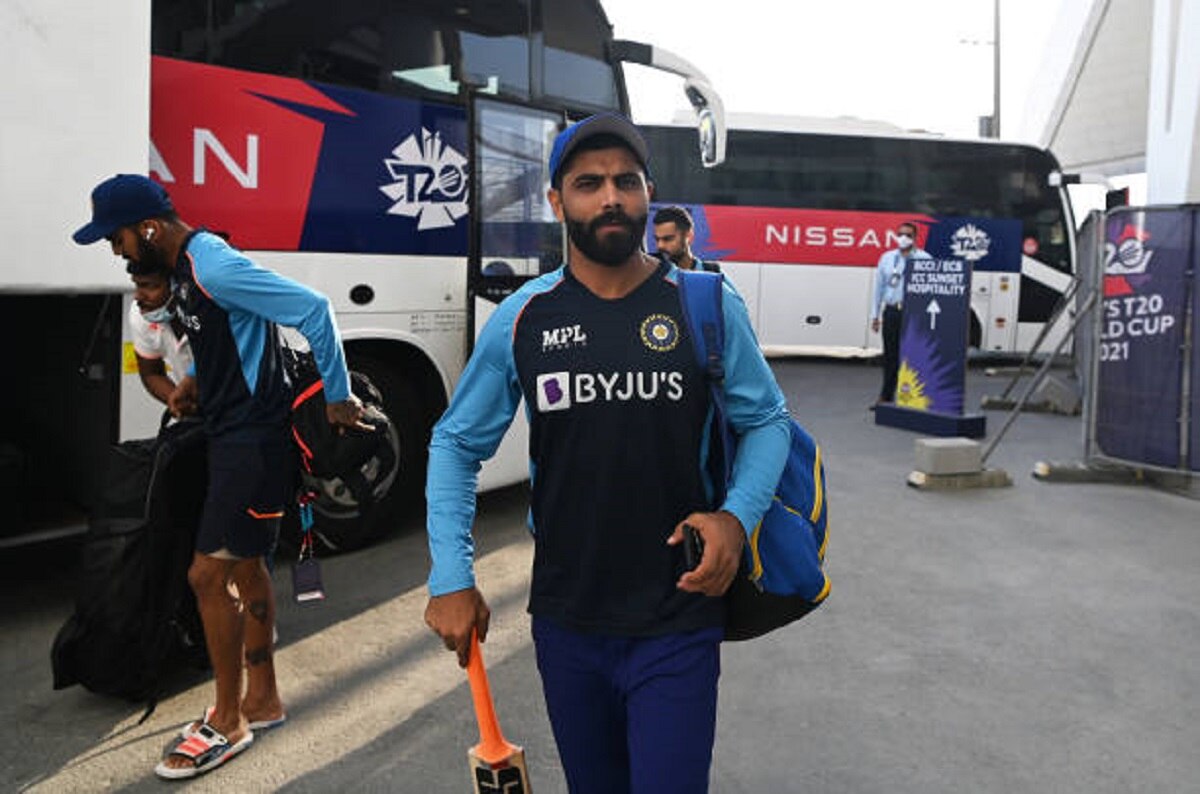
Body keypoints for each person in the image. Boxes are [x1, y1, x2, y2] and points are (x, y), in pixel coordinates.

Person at [423, 114, 791, 794]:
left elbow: (767, 419)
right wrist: (451, 573)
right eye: (588, 183)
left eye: (626, 181)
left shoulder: (703, 303)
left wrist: (736, 518)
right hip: (567, 620)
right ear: (557, 202)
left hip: (678, 615)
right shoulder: (524, 317)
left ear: (648, 193)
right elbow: (454, 444)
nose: (610, 197)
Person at [73, 174, 370, 780]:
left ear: (148, 227)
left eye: (118, 238)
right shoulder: (184, 273)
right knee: (243, 569)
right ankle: (262, 698)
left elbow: (312, 310)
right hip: (229, 436)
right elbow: (228, 340)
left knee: (207, 575)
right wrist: (192, 384)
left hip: (254, 444)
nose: (117, 251)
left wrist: (338, 399)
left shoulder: (212, 264)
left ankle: (229, 718)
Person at [869, 221, 931, 405]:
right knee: (890, 356)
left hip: (913, 313)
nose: (903, 238)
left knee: (913, 356)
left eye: (908, 235)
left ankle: (912, 398)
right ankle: (885, 397)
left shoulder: (924, 258)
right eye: (900, 234)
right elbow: (879, 288)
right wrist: (875, 315)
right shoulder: (887, 258)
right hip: (891, 311)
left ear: (915, 238)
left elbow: (929, 288)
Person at [127, 268, 194, 409]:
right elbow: (152, 373)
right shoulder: (140, 314)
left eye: (150, 286)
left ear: (178, 286)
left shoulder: (209, 310)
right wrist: (181, 403)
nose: (138, 297)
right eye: (137, 285)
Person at [652, 205, 721, 272]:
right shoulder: (652, 274)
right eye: (657, 239)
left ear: (689, 236)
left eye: (668, 239)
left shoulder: (711, 271)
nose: (660, 245)